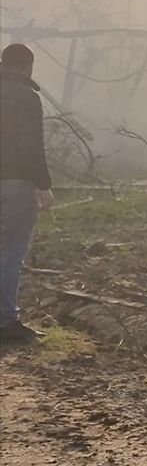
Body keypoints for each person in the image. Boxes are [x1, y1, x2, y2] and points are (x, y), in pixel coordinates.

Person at [0, 42, 54, 347]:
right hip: (16, 183)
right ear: (28, 66)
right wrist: (43, 186)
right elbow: (32, 147)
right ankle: (6, 321)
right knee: (10, 250)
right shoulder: (27, 98)